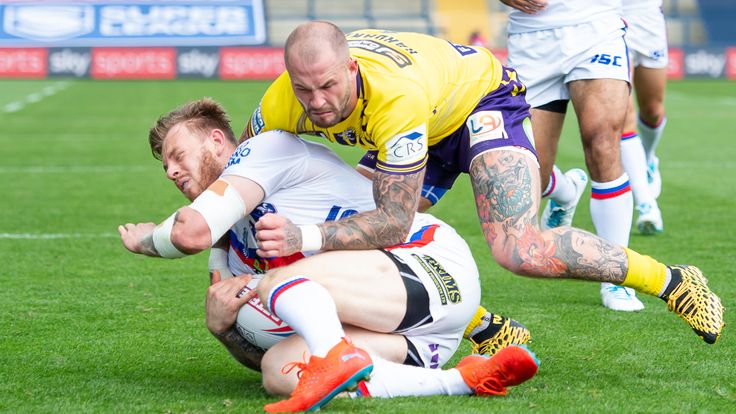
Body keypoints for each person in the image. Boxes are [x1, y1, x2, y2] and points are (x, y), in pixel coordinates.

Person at [238, 21, 722, 357]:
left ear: (350, 70)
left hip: (478, 102)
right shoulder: (283, 100)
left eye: (327, 86)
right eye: (305, 90)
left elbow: (393, 222)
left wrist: (304, 237)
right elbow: (245, 169)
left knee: (519, 248)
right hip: (421, 123)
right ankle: (489, 328)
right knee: (354, 242)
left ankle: (673, 280)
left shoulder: (392, 97)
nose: (318, 103)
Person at [118, 99, 537, 411]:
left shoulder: (264, 150)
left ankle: (348, 353)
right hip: (414, 341)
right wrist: (222, 330)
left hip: (431, 263)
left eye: (178, 156)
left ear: (215, 140)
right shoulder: (231, 251)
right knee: (279, 372)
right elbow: (259, 352)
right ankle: (462, 380)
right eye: (165, 167)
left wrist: (143, 240)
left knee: (280, 280)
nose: (171, 171)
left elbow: (190, 231)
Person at [500, 0, 646, 311]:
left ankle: (617, 276)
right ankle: (565, 192)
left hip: (595, 27)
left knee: (601, 139)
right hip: (532, 36)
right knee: (525, 170)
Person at [619, 0, 668, 235]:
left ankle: (647, 159)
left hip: (647, 18)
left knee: (653, 109)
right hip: (609, 17)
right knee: (623, 114)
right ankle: (646, 204)